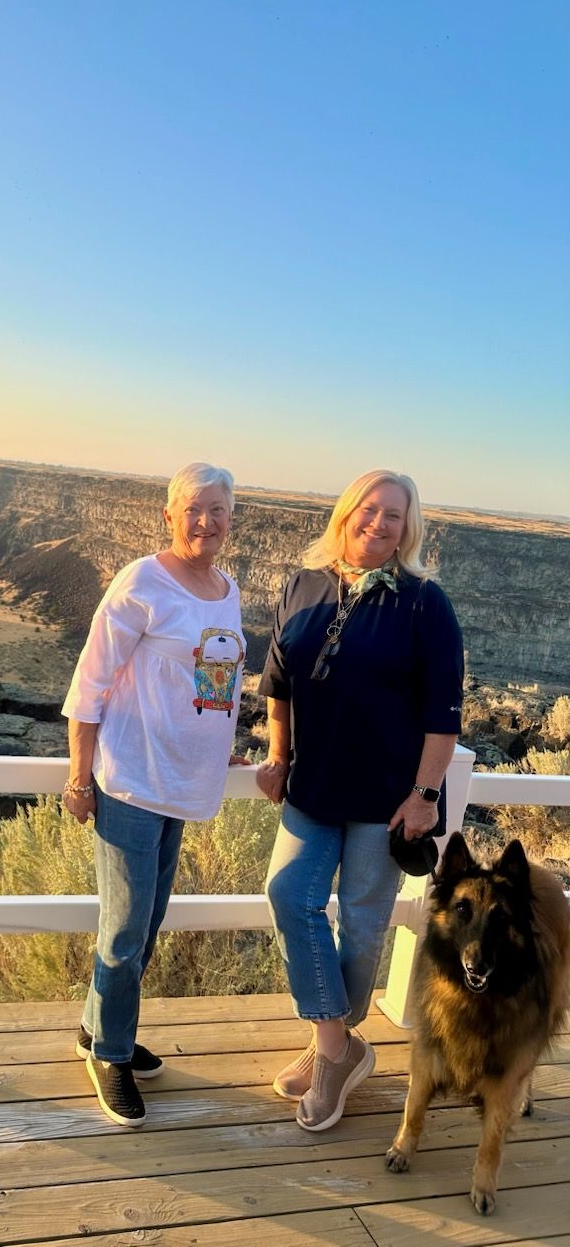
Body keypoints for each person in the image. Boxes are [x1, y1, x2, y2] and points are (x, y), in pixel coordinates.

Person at [257, 468, 464, 1132]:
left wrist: (426, 795)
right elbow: (278, 685)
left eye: (394, 517)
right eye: (368, 511)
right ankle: (338, 1049)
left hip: (387, 801)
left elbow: (443, 714)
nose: (378, 525)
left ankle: (330, 1052)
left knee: (364, 927)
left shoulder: (424, 603)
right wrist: (278, 756)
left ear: (410, 528)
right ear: (346, 513)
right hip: (311, 788)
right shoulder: (303, 584)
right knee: (290, 895)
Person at [62, 462, 246, 1127]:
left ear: (232, 517)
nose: (206, 521)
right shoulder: (142, 580)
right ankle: (108, 1054)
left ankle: (95, 1026)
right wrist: (79, 776)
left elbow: (214, 677)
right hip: (133, 779)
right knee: (125, 926)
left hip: (185, 782)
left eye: (218, 510)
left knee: (150, 920)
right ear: (169, 516)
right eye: (193, 509)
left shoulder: (227, 589)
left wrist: (223, 738)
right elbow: (90, 682)